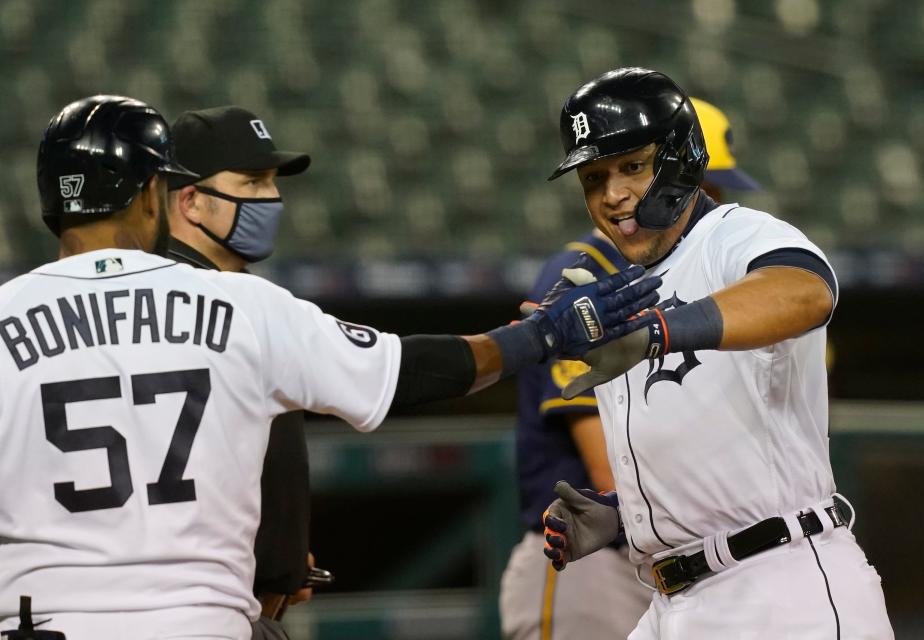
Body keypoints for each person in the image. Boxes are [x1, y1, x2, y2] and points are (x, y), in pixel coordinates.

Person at [0, 95, 660, 640]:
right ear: (155, 193)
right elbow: (416, 369)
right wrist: (539, 334)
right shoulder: (240, 306)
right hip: (197, 623)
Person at [540, 68, 894, 639]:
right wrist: (626, 516)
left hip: (781, 588)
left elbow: (807, 289)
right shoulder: (623, 288)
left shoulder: (732, 233)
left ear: (681, 159)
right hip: (672, 600)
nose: (612, 194)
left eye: (633, 165)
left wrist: (658, 331)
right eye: (594, 176)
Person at [499, 96, 763, 640]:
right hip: (591, 567)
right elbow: (606, 470)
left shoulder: (705, 274)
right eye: (704, 187)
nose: (709, 204)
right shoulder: (581, 276)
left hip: (677, 559)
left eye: (717, 192)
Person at [164, 105, 313, 640]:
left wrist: (286, 549)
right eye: (251, 183)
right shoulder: (169, 309)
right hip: (196, 610)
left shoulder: (248, 300)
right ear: (190, 200)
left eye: (272, 182)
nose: (270, 199)